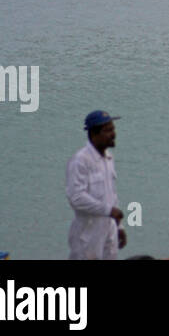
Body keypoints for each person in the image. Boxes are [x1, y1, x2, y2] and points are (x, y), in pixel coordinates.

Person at [66, 110, 125, 260]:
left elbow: (112, 195)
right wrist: (108, 210)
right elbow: (76, 197)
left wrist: (119, 227)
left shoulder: (108, 159)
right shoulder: (81, 160)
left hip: (109, 230)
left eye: (113, 129)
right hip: (88, 233)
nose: (113, 134)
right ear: (94, 134)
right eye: (108, 130)